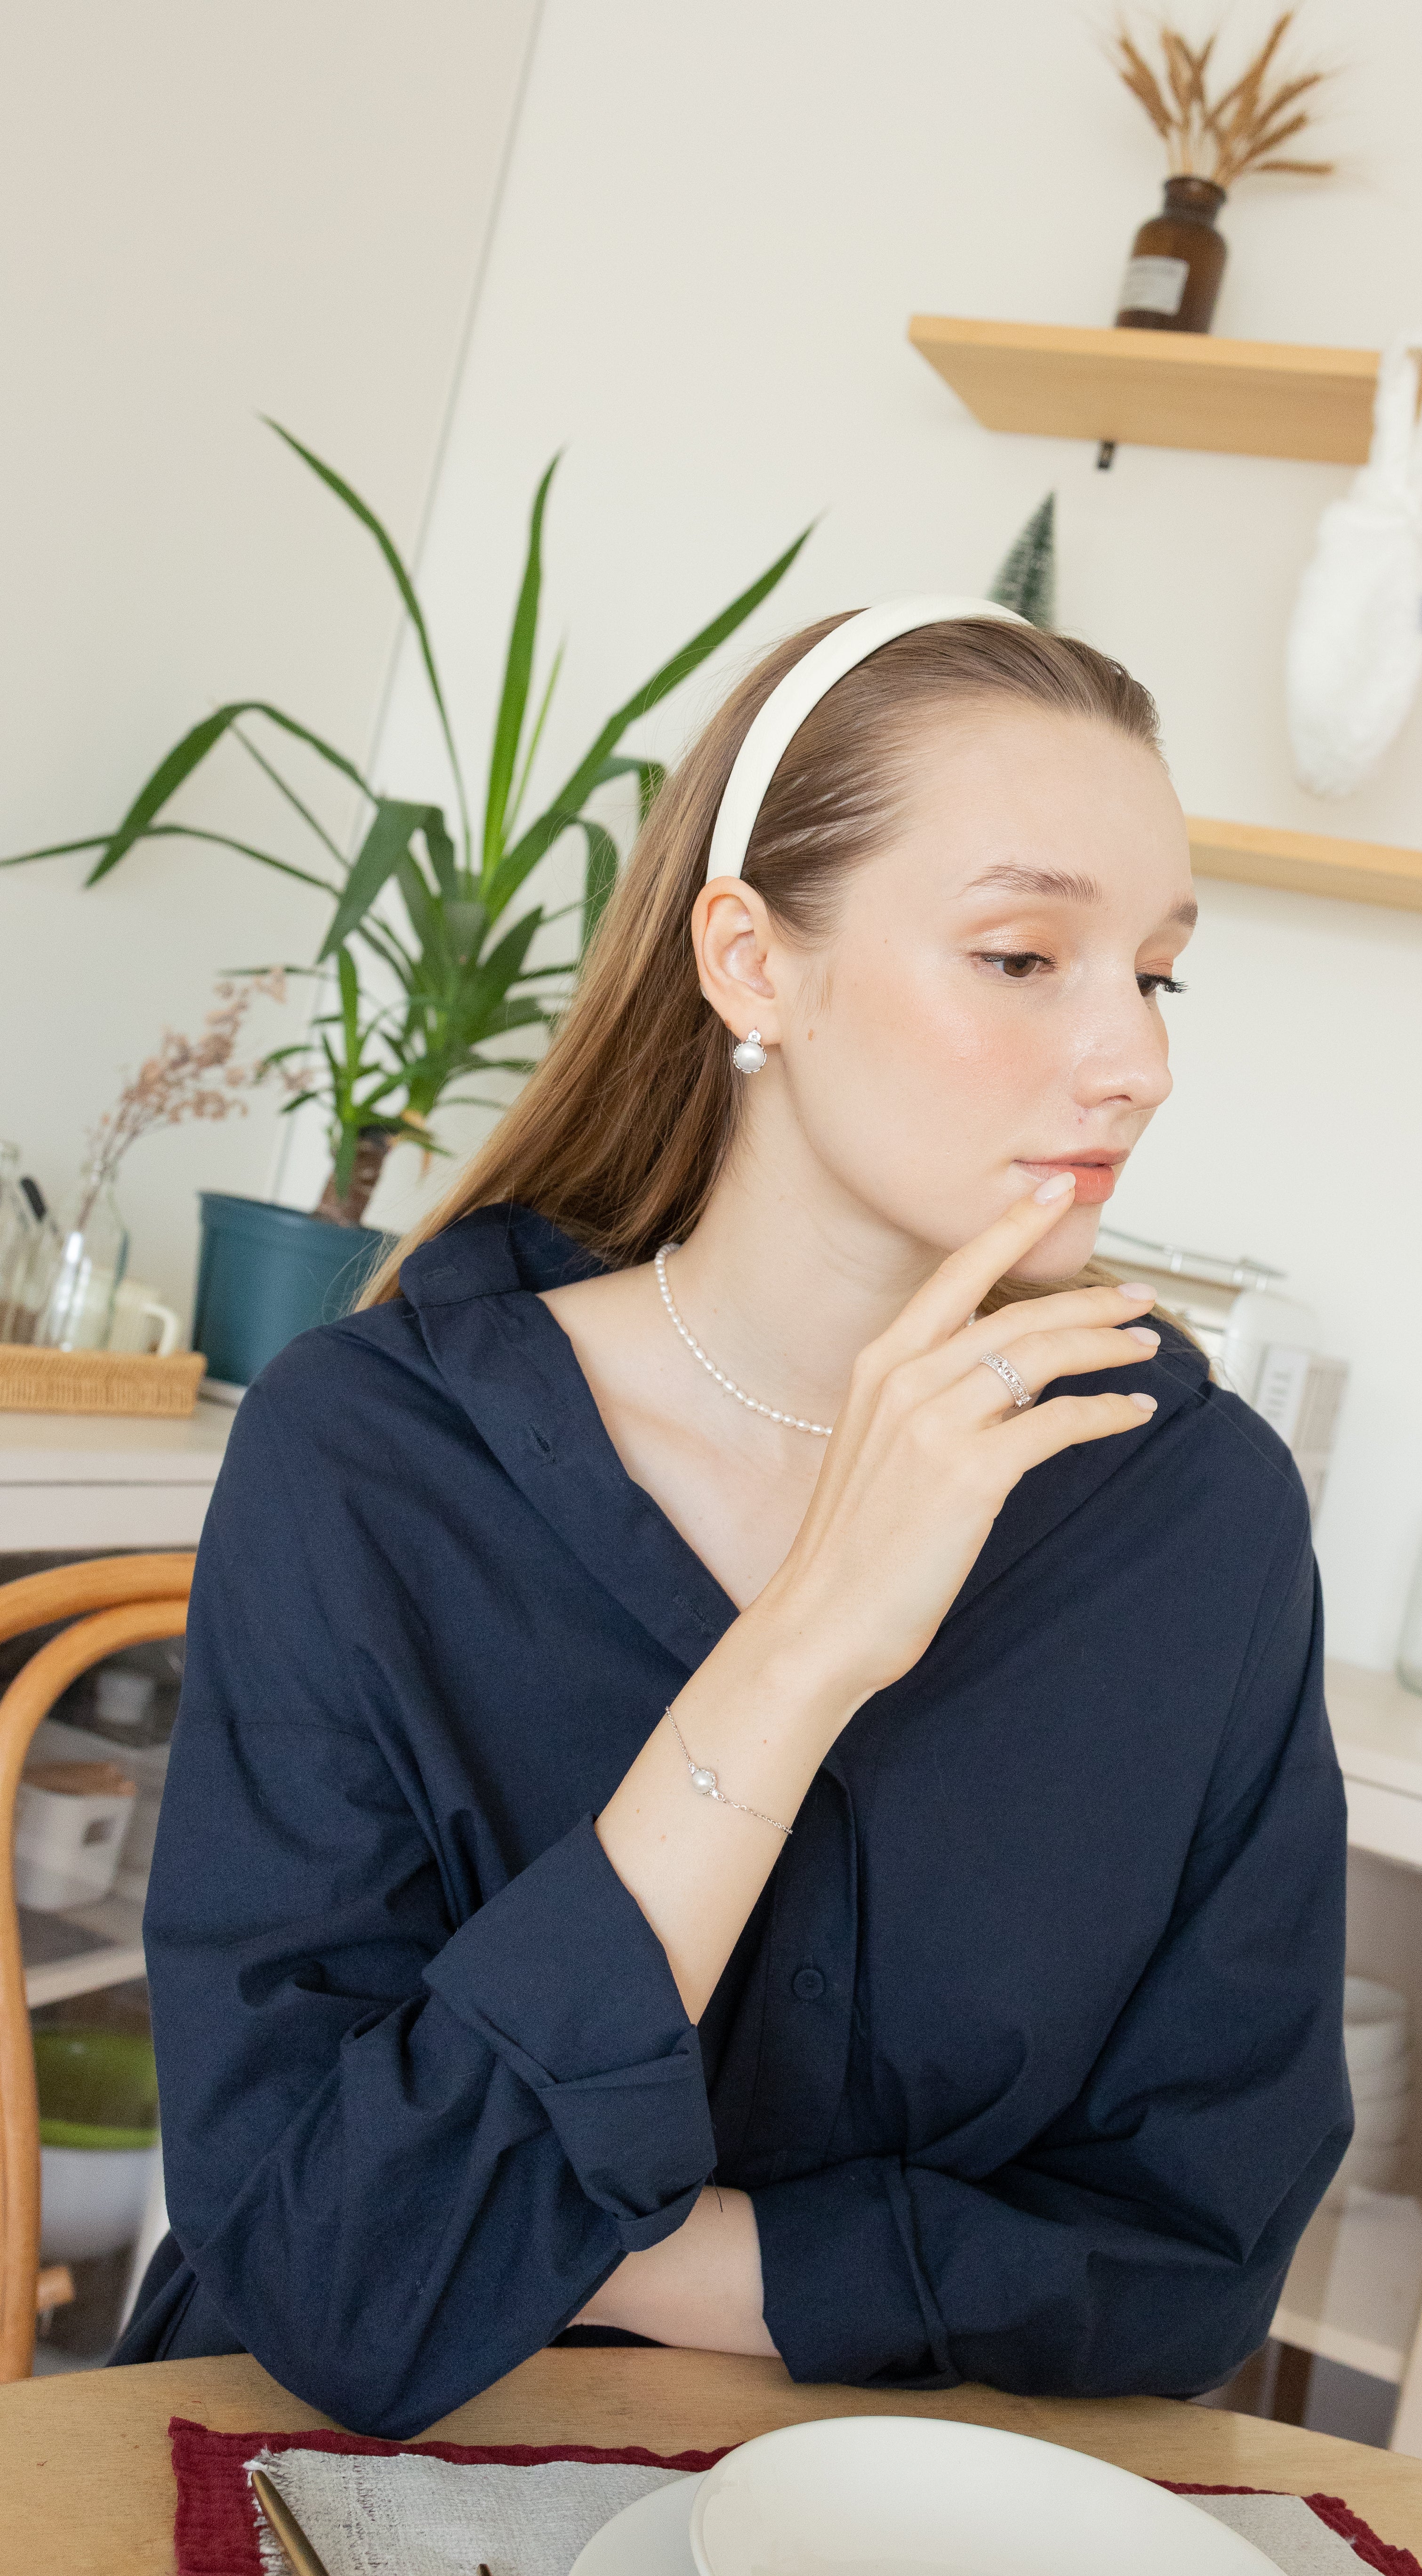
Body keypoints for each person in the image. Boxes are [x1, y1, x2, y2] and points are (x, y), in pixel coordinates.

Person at [118, 600, 1351, 2438]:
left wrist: (582, 2242)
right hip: (345, 2470)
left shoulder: (1195, 1513)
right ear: (751, 965)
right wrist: (796, 1659)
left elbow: (1188, 2261)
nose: (1135, 1063)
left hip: (894, 2506)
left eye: (1157, 974)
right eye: (1024, 957)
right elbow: (329, 2278)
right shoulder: (371, 1458)